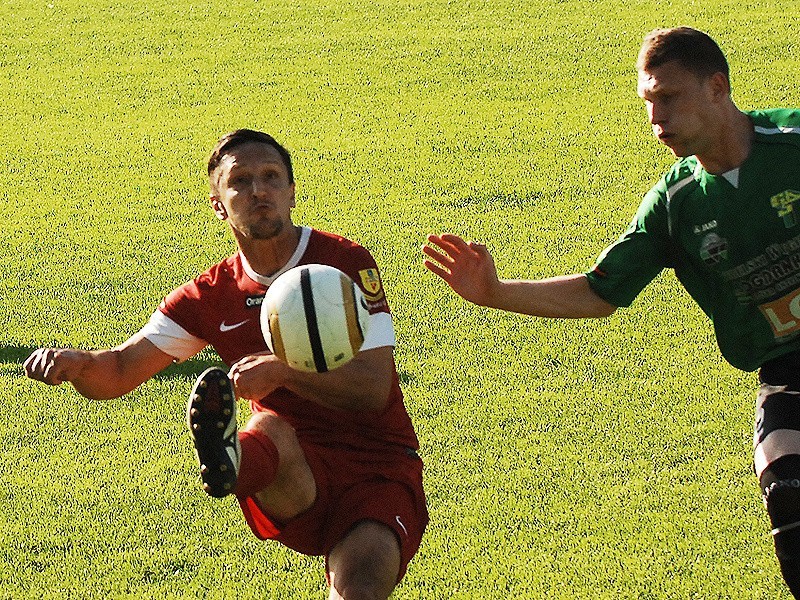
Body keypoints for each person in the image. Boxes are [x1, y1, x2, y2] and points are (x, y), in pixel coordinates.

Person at [423, 26, 800, 595]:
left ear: (717, 87)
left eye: (668, 98)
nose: (657, 120)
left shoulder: (794, 141)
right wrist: (493, 293)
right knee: (787, 488)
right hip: (786, 372)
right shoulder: (675, 205)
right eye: (648, 104)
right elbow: (599, 293)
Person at [25, 129, 428, 600]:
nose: (259, 191)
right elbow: (118, 369)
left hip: (377, 468)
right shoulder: (211, 295)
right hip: (291, 475)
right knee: (272, 427)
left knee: (359, 587)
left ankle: (236, 460)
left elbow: (372, 389)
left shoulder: (342, 263)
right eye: (240, 181)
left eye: (272, 177)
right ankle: (232, 463)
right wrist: (78, 364)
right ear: (218, 204)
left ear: (292, 192)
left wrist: (281, 371)